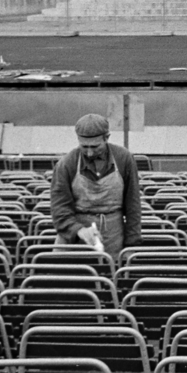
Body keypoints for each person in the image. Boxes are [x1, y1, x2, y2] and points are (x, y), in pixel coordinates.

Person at [49, 112, 143, 261]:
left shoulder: (124, 159)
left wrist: (132, 244)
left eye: (95, 146)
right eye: (84, 146)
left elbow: (133, 206)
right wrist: (78, 230)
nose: (90, 152)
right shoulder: (66, 164)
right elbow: (60, 209)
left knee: (111, 275)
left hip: (113, 233)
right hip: (75, 236)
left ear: (107, 138)